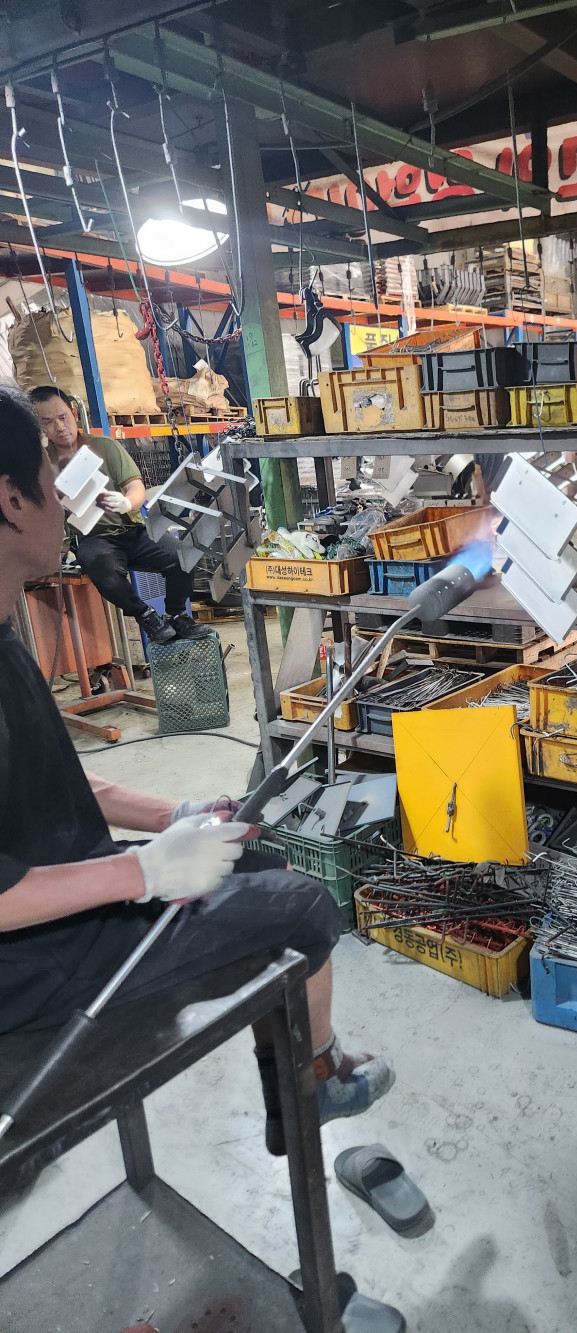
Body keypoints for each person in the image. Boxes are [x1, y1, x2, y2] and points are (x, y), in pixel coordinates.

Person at [0, 386, 394, 1155]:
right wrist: (143, 872)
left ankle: (295, 1080)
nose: (61, 499)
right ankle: (312, 1088)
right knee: (305, 908)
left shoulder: (6, 633)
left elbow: (57, 782)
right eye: (50, 481)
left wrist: (174, 816)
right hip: (40, 968)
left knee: (260, 855)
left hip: (70, 895)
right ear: (12, 500)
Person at [28, 385, 206, 645]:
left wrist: (127, 502)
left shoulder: (104, 447)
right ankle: (145, 615)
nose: (58, 426)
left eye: (62, 417)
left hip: (132, 530)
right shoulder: (42, 467)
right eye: (47, 421)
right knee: (102, 568)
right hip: (94, 539)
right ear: (39, 427)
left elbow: (136, 488)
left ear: (74, 413)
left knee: (184, 556)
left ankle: (176, 614)